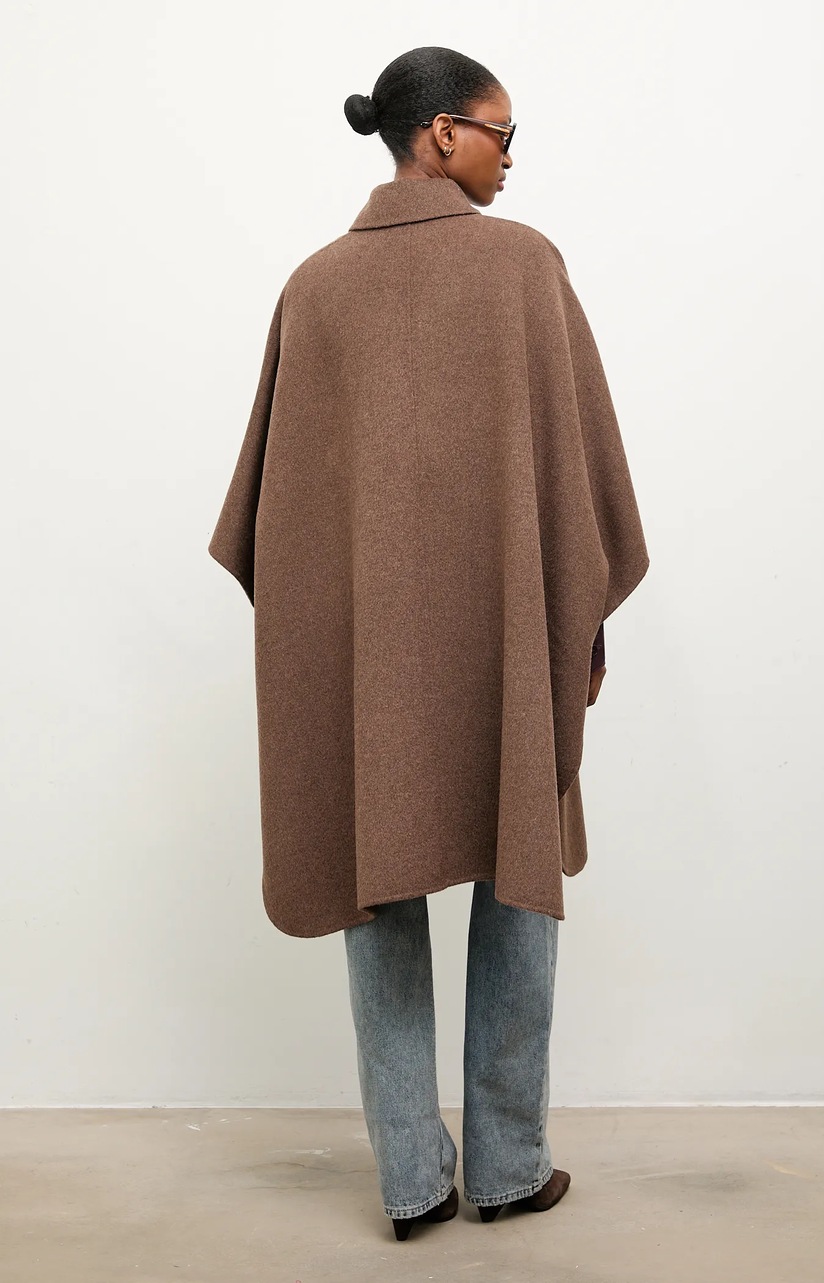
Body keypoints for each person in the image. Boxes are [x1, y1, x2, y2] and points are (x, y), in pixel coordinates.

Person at [208, 45, 649, 1242]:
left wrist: (331, 634)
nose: (512, 157)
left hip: (369, 653)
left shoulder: (315, 287)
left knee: (378, 872)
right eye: (504, 133)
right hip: (506, 631)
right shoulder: (523, 266)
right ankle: (509, 1164)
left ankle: (412, 1177)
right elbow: (581, 483)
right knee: (521, 860)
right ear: (443, 132)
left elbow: (271, 518)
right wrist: (579, 616)